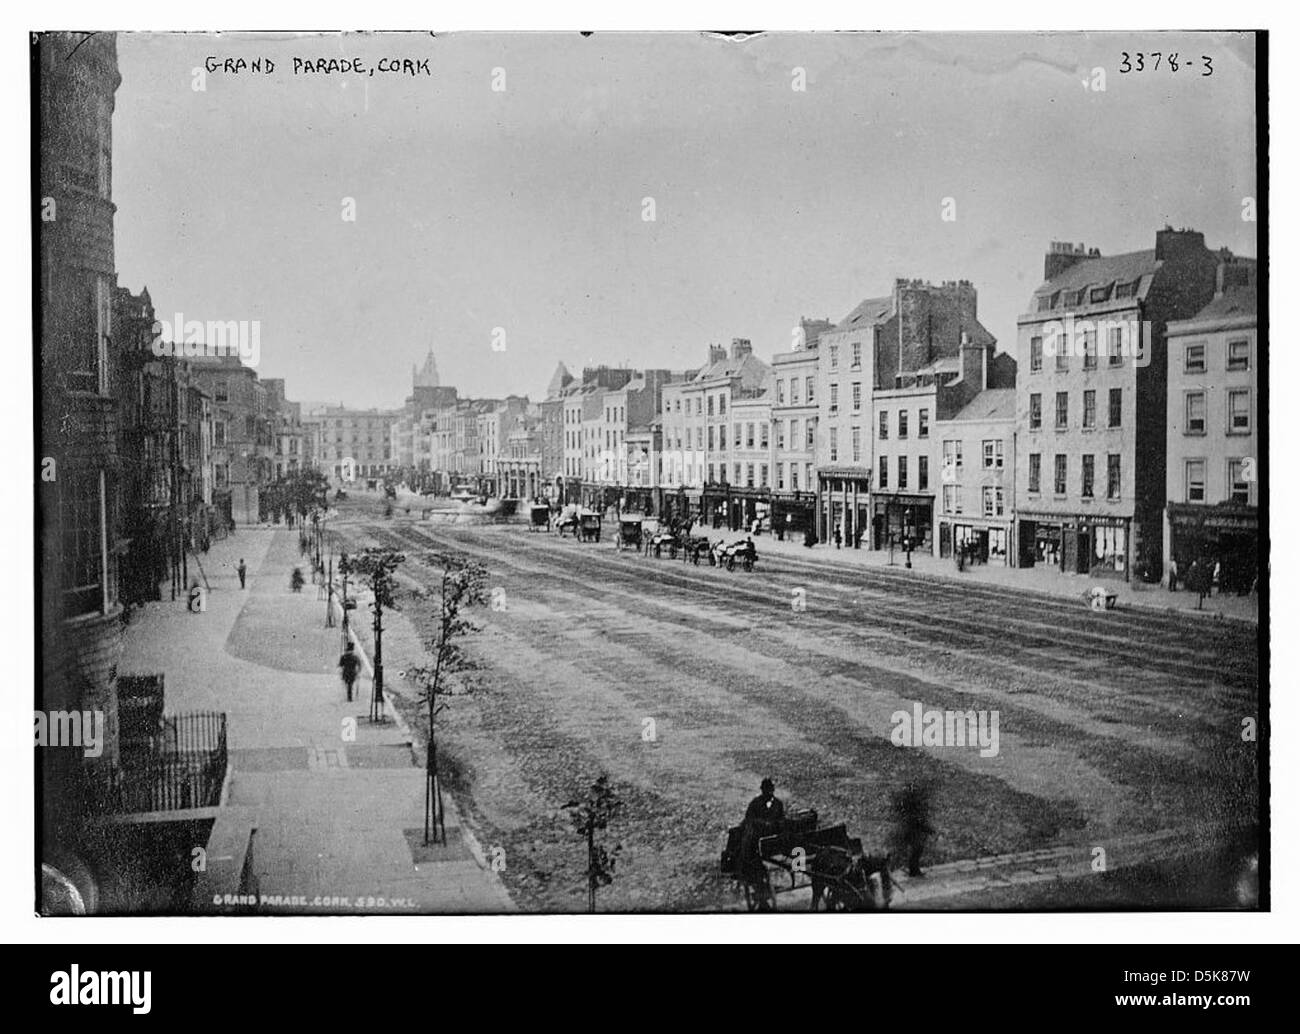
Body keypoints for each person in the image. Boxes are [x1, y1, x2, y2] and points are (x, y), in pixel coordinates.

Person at [738, 778, 785, 910]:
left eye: (770, 790)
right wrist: (762, 823)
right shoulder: (755, 803)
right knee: (755, 864)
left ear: (773, 790)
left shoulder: (778, 804)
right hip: (757, 840)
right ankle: (761, 890)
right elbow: (749, 819)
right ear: (762, 790)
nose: (769, 792)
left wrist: (778, 824)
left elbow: (782, 818)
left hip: (774, 840)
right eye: (766, 790)